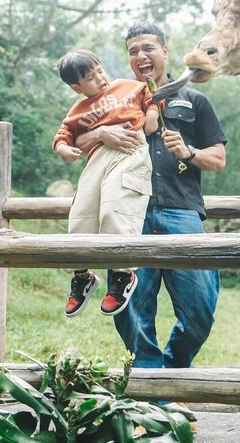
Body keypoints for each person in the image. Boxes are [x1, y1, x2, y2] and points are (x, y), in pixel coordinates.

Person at [75, 21, 227, 370]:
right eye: (132, 51)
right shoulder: (111, 101)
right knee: (130, 310)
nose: (140, 56)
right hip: (129, 215)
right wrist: (104, 133)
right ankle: (153, 397)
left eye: (148, 48)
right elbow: (72, 141)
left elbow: (218, 159)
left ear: (165, 50)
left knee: (200, 310)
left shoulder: (195, 101)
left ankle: (171, 376)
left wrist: (188, 152)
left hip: (182, 214)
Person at [53, 49, 161, 319]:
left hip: (129, 149)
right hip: (96, 158)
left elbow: (152, 96)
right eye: (90, 78)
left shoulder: (127, 86)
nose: (100, 78)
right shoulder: (78, 110)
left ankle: (123, 275)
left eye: (100, 70)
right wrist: (63, 148)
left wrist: (151, 114)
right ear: (76, 87)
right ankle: (83, 276)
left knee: (115, 209)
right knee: (81, 217)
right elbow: (64, 134)